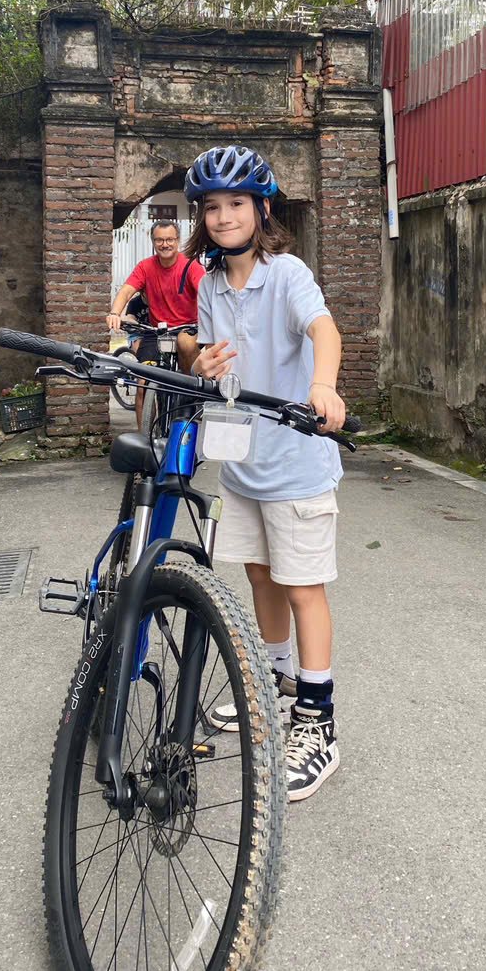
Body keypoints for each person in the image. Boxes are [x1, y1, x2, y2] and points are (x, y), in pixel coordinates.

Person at [183, 144, 346, 803]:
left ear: (261, 209)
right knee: (259, 574)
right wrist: (199, 364)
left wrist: (324, 385)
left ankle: (317, 719)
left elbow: (324, 329)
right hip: (243, 464)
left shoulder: (286, 273)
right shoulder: (209, 282)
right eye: (213, 207)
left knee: (304, 586)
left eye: (236, 204)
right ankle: (276, 685)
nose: (223, 217)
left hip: (297, 462)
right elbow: (199, 345)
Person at [107, 219, 204, 428]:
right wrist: (115, 312)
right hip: (156, 331)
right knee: (142, 382)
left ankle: (190, 390)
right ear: (153, 242)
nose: (165, 244)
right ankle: (143, 438)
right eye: (159, 240)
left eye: (169, 239)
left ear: (177, 241)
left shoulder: (190, 266)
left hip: (187, 327)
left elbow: (206, 293)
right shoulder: (146, 266)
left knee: (186, 344)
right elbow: (126, 290)